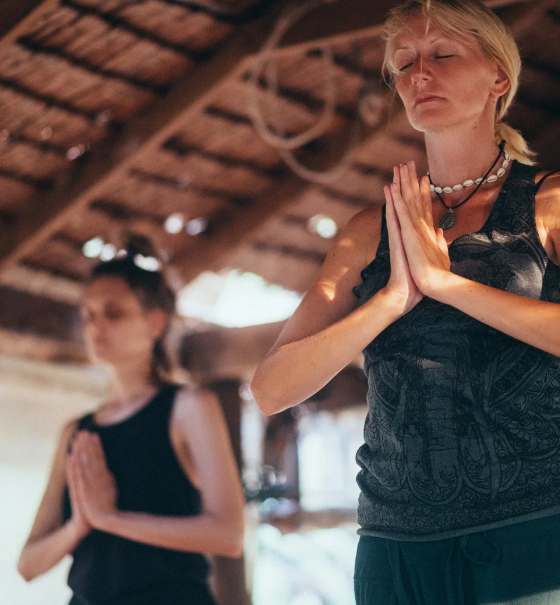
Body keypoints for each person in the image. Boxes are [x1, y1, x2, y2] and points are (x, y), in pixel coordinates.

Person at [251, 0, 560, 603]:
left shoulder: (548, 203)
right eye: (405, 63)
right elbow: (271, 388)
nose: (420, 75)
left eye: (443, 55)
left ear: (499, 76)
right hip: (394, 549)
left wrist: (447, 286)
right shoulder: (370, 229)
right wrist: (393, 298)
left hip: (532, 532)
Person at [17, 238, 245, 605]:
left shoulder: (188, 407)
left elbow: (229, 534)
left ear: (155, 322)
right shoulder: (75, 432)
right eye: (88, 315)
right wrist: (79, 525)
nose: (96, 327)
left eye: (113, 313)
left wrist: (111, 518)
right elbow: (27, 565)